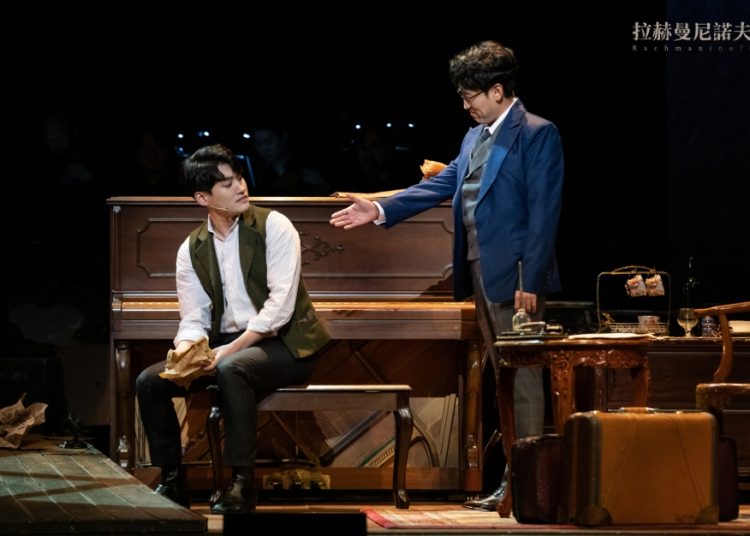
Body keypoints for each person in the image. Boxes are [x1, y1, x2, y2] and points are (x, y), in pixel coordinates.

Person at [329, 40, 563, 511]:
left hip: (518, 276)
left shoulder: (537, 133)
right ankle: (511, 482)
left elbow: (544, 213)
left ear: (497, 90)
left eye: (471, 95)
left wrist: (531, 281)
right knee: (502, 376)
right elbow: (442, 183)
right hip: (481, 270)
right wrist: (379, 208)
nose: (466, 104)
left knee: (524, 378)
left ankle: (529, 486)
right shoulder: (474, 137)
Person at [136, 144, 330, 514]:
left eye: (239, 178)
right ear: (203, 198)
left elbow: (281, 306)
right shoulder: (191, 248)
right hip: (226, 345)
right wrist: (187, 353)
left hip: (286, 345)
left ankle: (242, 483)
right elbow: (194, 317)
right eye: (226, 184)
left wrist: (231, 349)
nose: (240, 187)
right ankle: (173, 480)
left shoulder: (274, 226)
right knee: (150, 381)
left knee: (231, 367)